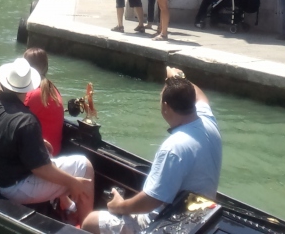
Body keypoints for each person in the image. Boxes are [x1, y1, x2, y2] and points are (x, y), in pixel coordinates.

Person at [81, 67, 220, 234]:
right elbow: (200, 96)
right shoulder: (207, 121)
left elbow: (150, 201)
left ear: (166, 106)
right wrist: (179, 79)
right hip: (199, 216)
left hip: (163, 223)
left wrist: (119, 206)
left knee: (90, 222)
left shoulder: (174, 148)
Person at [0, 58, 93, 223]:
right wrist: (74, 183)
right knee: (84, 166)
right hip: (15, 187)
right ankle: (88, 226)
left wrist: (38, 141)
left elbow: (0, 135)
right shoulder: (27, 120)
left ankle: (68, 207)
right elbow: (42, 169)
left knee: (56, 162)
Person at [22, 48, 64, 155]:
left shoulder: (35, 94)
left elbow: (13, 121)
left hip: (40, 156)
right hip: (53, 152)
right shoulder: (53, 89)